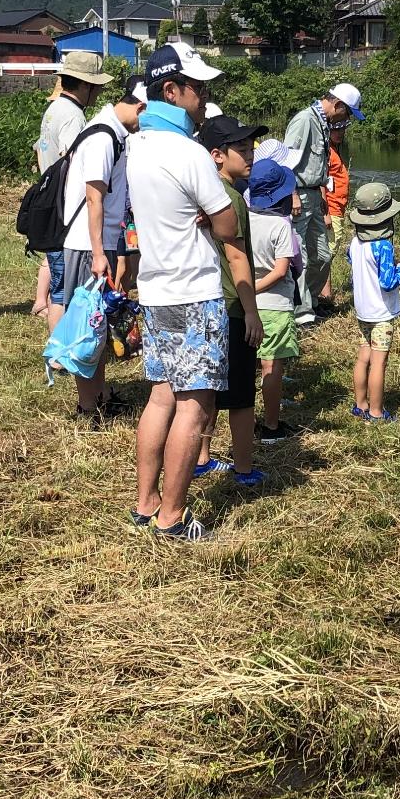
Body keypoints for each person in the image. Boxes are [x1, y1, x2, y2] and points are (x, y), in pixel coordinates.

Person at [126, 43, 257, 542]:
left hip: (156, 290)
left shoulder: (137, 145)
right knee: (196, 405)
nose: (203, 97)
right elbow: (227, 225)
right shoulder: (189, 153)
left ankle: (146, 504)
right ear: (170, 90)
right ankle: (172, 518)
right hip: (196, 292)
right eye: (197, 88)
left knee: (161, 397)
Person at [57, 75, 144, 421]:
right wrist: (98, 253)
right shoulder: (104, 137)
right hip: (87, 245)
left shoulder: (113, 132)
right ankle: (87, 407)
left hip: (99, 243)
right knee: (86, 327)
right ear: (140, 107)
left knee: (97, 325)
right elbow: (94, 198)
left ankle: (99, 398)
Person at [191, 112, 269, 487]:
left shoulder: (202, 192)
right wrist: (252, 312)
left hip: (205, 302)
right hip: (232, 304)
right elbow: (239, 258)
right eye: (241, 149)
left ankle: (202, 457)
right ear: (217, 155)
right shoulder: (232, 198)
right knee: (239, 393)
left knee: (207, 388)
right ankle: (243, 467)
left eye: (251, 147)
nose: (250, 155)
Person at [35, 51, 111, 323]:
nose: (100, 93)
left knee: (59, 281)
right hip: (64, 210)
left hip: (49, 202)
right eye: (98, 87)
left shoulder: (54, 109)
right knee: (63, 291)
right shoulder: (74, 117)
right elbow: (73, 163)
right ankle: (59, 352)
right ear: (85, 85)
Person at [281, 82, 362, 326]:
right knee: (301, 257)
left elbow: (319, 167)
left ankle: (311, 301)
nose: (346, 119)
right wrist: (292, 192)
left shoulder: (323, 124)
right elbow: (286, 160)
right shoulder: (305, 120)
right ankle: (301, 314)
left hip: (315, 196)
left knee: (322, 255)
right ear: (337, 105)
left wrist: (323, 198)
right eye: (347, 113)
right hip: (300, 196)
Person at [245, 158, 302, 444]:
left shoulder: (243, 217)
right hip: (275, 306)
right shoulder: (281, 225)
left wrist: (246, 291)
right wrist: (256, 288)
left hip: (245, 306)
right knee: (271, 367)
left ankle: (246, 421)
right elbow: (282, 271)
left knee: (248, 365)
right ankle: (270, 424)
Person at [345, 180, 400, 422]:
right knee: (379, 363)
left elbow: (353, 262)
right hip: (381, 314)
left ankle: (360, 404)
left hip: (363, 311)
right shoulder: (383, 246)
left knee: (363, 357)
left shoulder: (355, 242)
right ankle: (376, 412)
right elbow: (388, 282)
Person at [317, 124, 351, 311]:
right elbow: (322, 181)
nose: (340, 133)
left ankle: (325, 294)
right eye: (336, 130)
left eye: (342, 130)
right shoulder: (326, 151)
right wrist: (326, 213)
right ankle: (323, 296)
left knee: (330, 250)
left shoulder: (334, 150)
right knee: (327, 252)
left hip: (339, 207)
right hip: (331, 208)